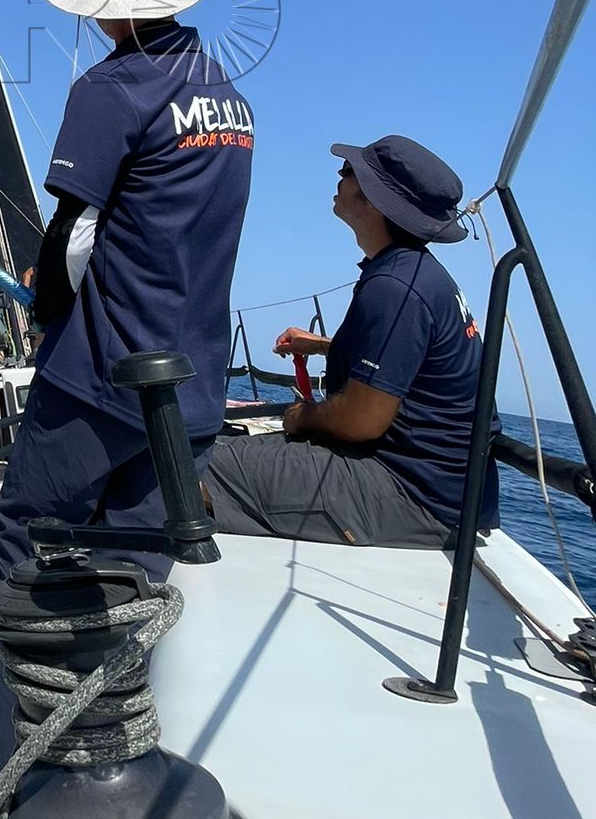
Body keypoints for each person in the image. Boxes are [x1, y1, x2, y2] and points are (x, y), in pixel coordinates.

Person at [0, 0, 254, 819]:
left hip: (98, 378)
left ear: (105, 6)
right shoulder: (229, 100)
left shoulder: (111, 88)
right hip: (187, 393)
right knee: (124, 588)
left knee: (25, 568)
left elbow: (71, 233)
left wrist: (40, 312)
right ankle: (97, 781)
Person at [203, 137, 497, 545]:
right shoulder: (415, 274)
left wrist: (303, 416)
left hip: (411, 492)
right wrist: (323, 346)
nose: (338, 178)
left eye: (348, 173)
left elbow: (360, 421)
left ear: (376, 200)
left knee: (189, 467)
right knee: (216, 448)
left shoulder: (395, 287)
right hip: (441, 489)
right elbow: (407, 361)